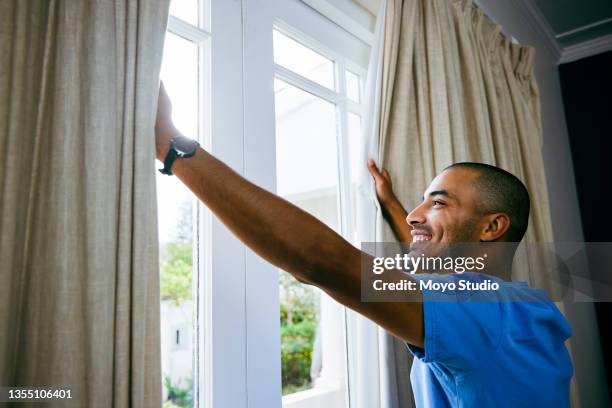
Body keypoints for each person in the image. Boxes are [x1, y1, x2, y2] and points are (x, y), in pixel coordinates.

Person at [154, 84, 573, 407]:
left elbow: (323, 262)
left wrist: (171, 146)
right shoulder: (520, 308)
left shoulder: (485, 308)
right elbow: (440, 253)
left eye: (439, 202)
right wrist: (391, 203)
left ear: (492, 227)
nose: (415, 215)